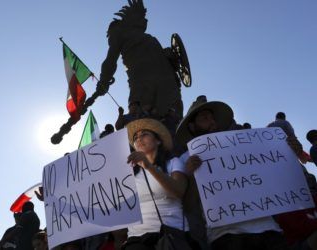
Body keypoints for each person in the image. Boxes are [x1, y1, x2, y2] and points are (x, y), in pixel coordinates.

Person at [175, 97, 289, 250]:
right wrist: (191, 176)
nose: (212, 121)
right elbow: (189, 206)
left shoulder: (245, 147)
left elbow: (276, 176)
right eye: (204, 118)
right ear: (192, 126)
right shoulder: (186, 159)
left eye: (212, 118)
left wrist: (289, 152)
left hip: (269, 229)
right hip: (226, 236)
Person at [96, 0, 183, 121]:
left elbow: (169, 62)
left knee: (173, 122)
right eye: (142, 17)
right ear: (132, 18)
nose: (145, 21)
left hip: (168, 87)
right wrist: (104, 79)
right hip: (143, 86)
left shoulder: (150, 39)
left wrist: (170, 57)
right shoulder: (118, 30)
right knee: (145, 122)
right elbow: (111, 59)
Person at [123, 118, 192, 249]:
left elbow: (179, 191)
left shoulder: (173, 162)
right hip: (136, 238)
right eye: (135, 137)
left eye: (144, 134)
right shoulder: (128, 173)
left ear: (158, 141)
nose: (139, 139)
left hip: (172, 235)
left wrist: (148, 166)